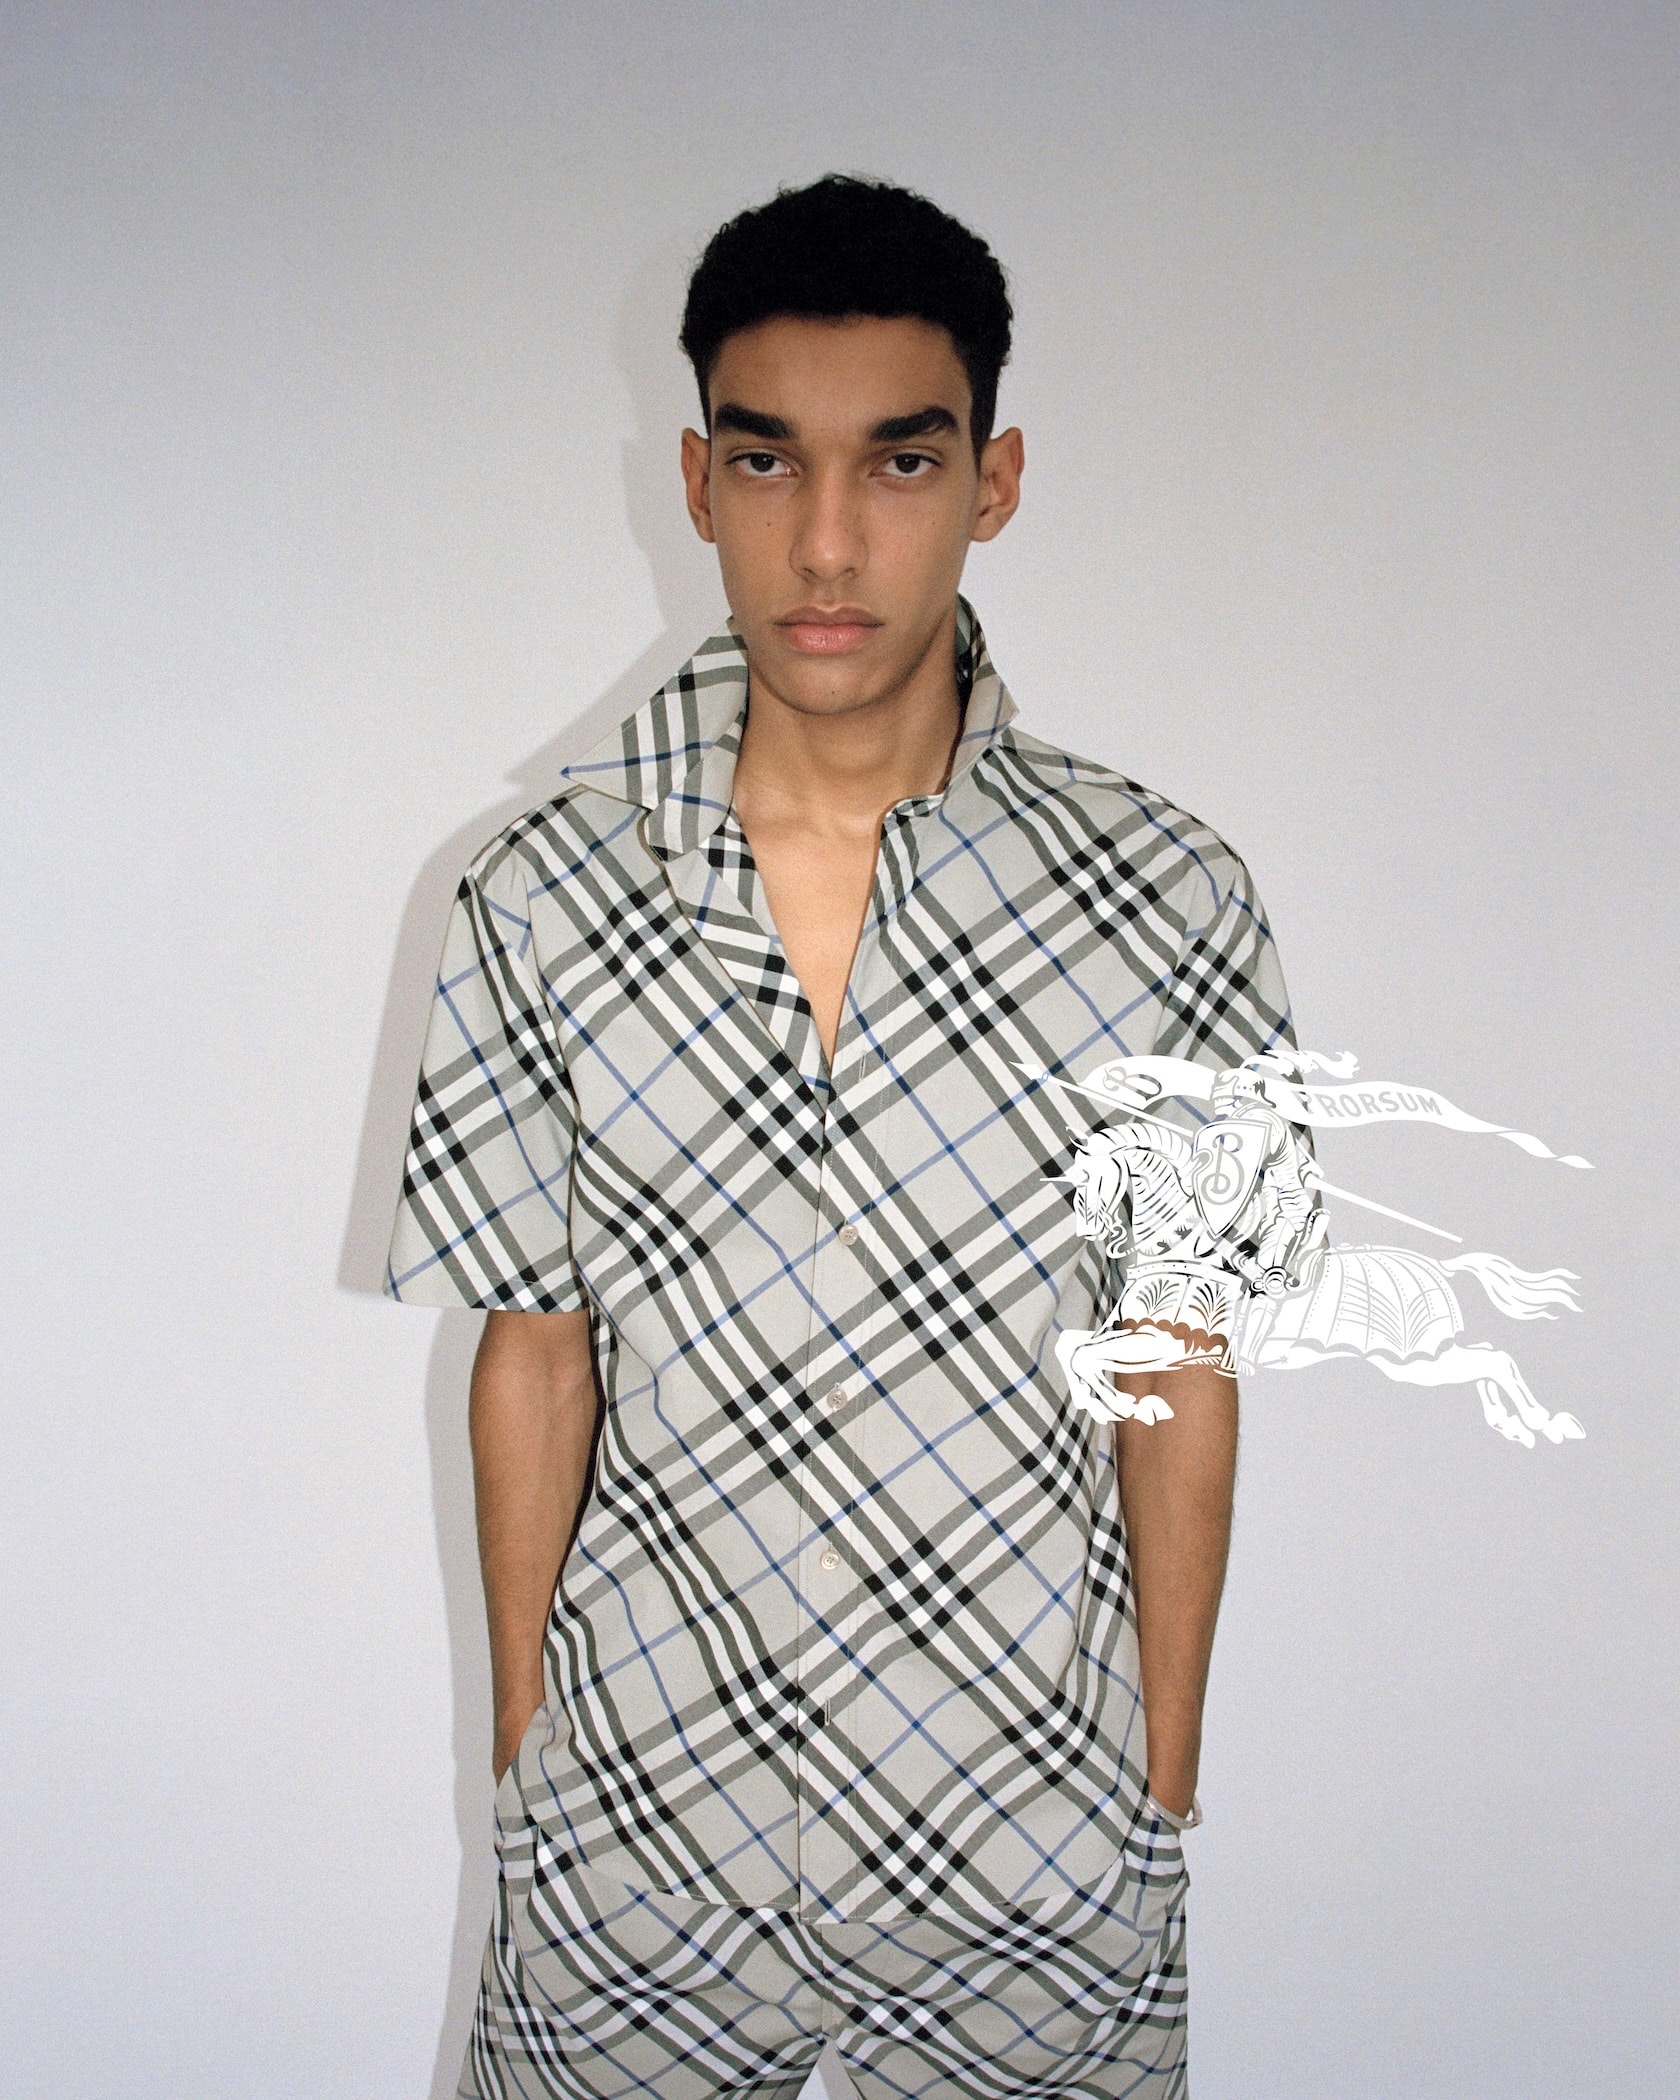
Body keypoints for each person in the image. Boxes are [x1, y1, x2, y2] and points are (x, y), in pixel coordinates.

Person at [386, 173, 1304, 2100]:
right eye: (767, 460)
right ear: (696, 482)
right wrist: (530, 1756)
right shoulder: (536, 896)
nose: (826, 540)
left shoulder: (1173, 898)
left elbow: (1179, 1357)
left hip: (1031, 1848)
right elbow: (531, 1348)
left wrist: (1161, 1780)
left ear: (995, 480)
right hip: (636, 1842)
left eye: (899, 461)